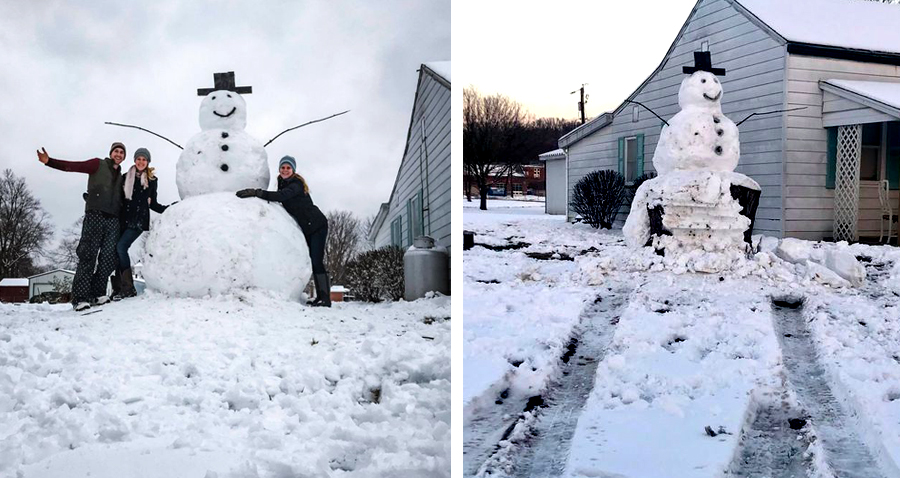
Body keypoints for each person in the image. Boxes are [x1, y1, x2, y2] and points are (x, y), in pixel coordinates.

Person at [37, 142, 126, 311]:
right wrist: (50, 161)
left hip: (113, 219)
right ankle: (80, 298)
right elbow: (73, 166)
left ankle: (98, 293)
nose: (119, 154)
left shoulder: (122, 177)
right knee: (88, 255)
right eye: (116, 151)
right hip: (95, 215)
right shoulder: (97, 164)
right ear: (111, 152)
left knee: (108, 259)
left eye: (122, 152)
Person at [236, 155, 330, 307]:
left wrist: (257, 192)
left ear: (293, 170)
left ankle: (325, 298)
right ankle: (321, 297)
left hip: (317, 226)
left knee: (316, 260)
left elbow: (282, 196)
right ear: (279, 169)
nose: (285, 170)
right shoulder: (282, 182)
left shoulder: (296, 184)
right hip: (306, 226)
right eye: (283, 167)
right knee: (311, 260)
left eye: (288, 168)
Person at [112, 147, 170, 300]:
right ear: (135, 160)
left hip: (138, 221)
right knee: (116, 251)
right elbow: (118, 198)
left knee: (121, 247)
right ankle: (118, 289)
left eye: (144, 159)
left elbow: (153, 203)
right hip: (123, 219)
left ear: (148, 162)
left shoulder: (152, 180)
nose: (141, 162)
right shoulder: (125, 177)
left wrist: (170, 208)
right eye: (139, 159)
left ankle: (128, 288)